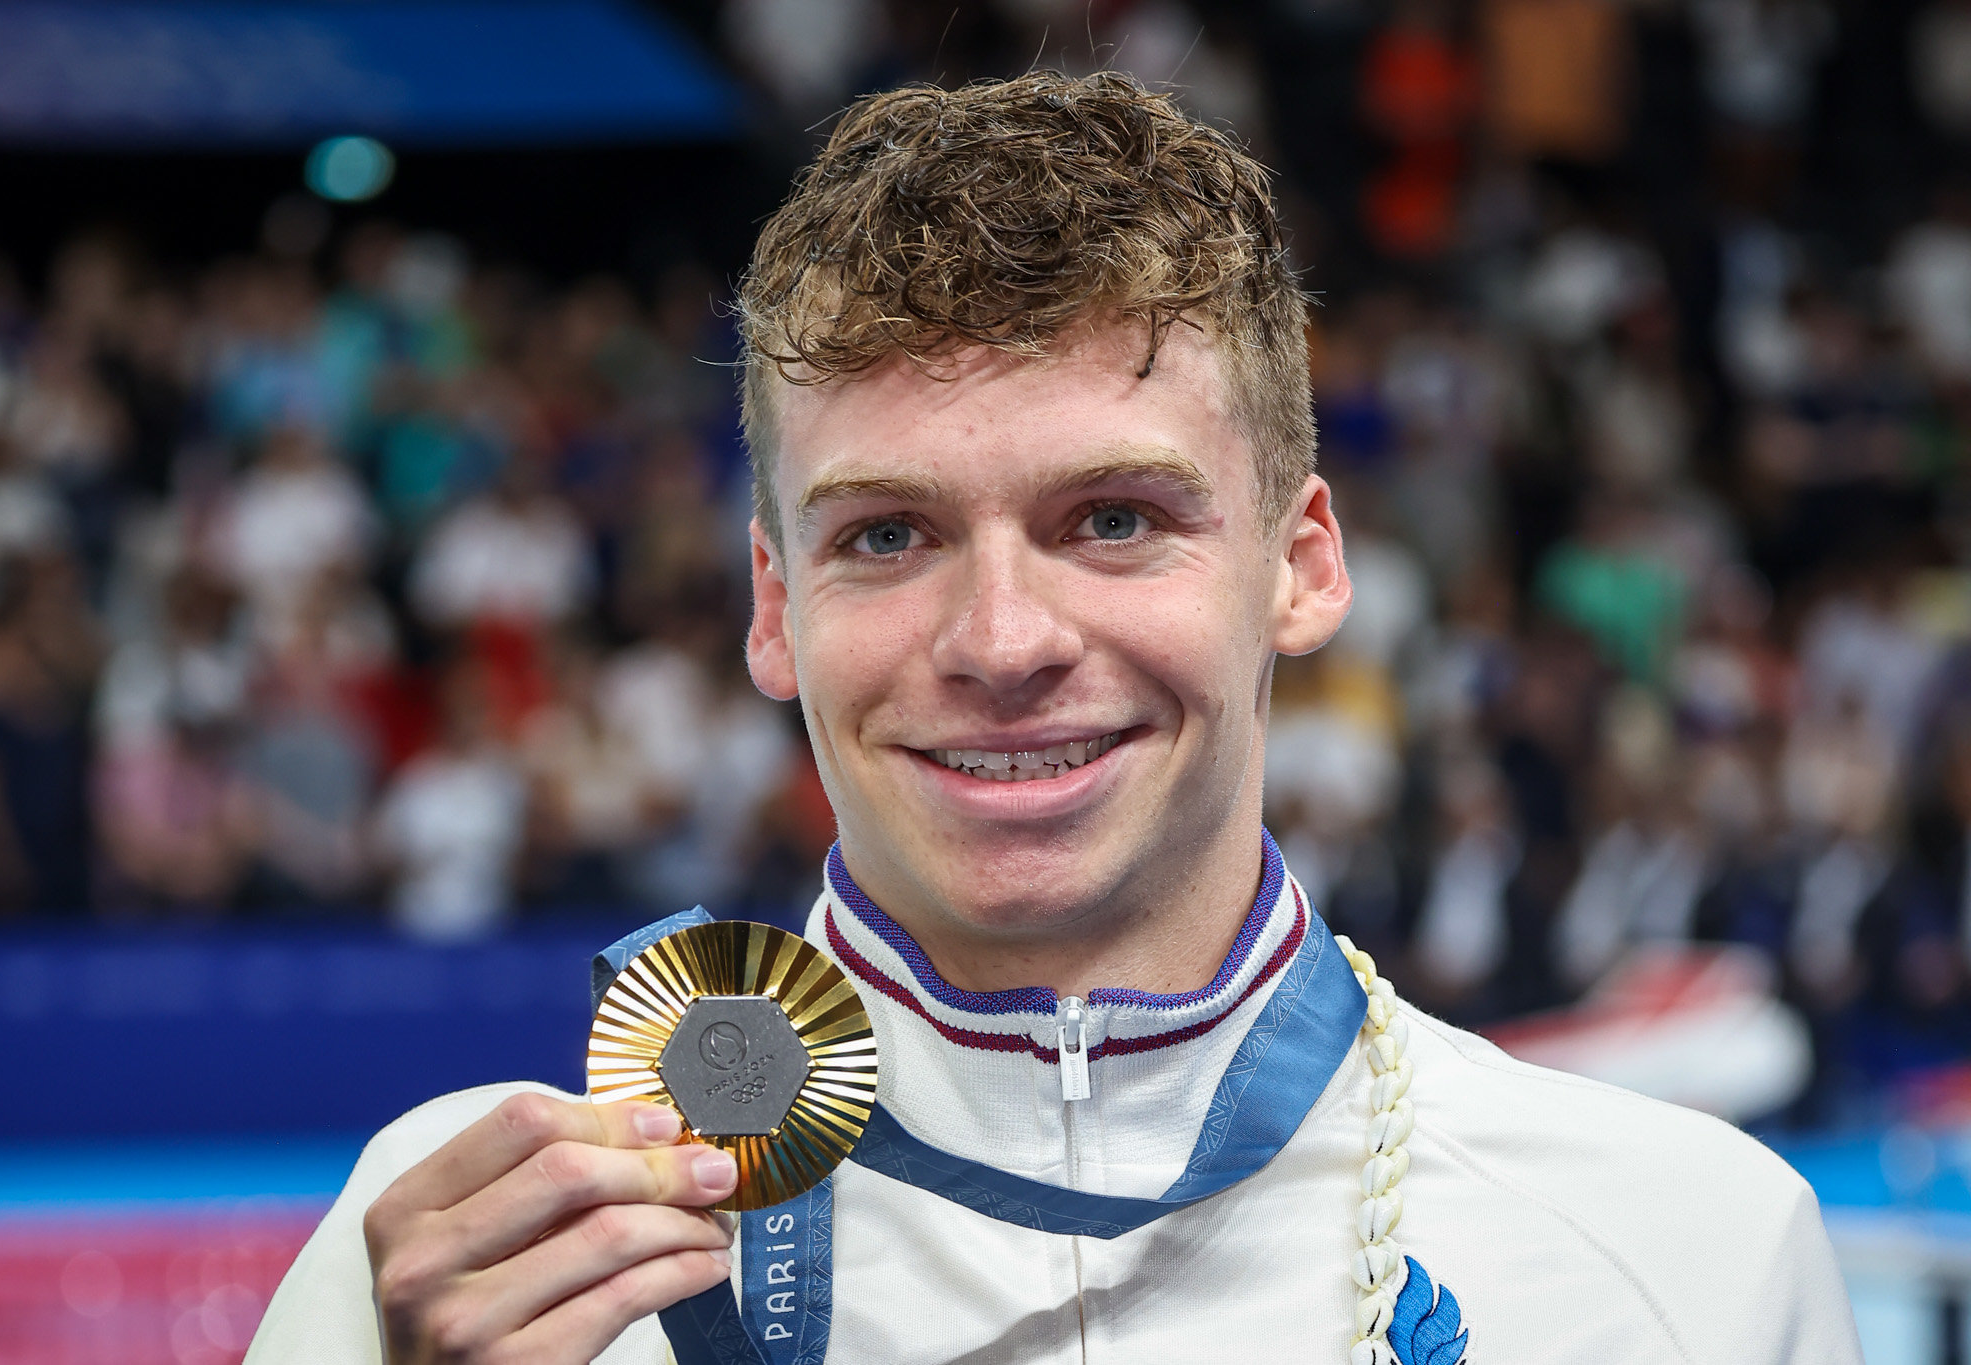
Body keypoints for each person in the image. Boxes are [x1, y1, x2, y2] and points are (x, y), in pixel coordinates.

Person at [247, 72, 1859, 1364]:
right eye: (888, 534)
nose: (1002, 641)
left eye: (1112, 519)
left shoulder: (1686, 1254)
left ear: (1300, 567)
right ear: (771, 606)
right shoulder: (461, 1257)